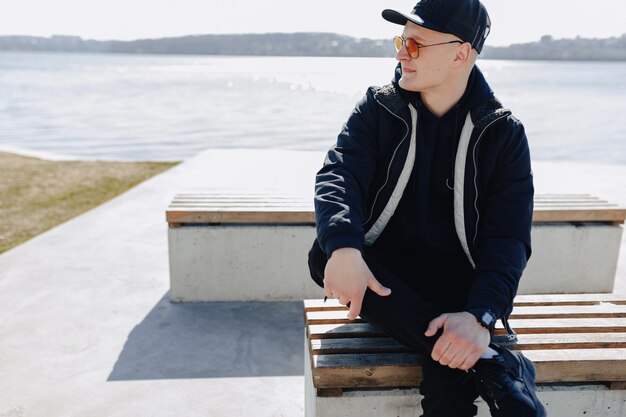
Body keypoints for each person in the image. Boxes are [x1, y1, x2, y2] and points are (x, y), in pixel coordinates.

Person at [307, 1, 546, 416]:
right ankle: (494, 363)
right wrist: (344, 247)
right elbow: (339, 174)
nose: (401, 54)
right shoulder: (380, 108)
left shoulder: (502, 134)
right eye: (402, 41)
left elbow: (507, 240)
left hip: (457, 285)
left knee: (447, 389)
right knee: (323, 253)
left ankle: (480, 354)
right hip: (386, 276)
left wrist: (479, 316)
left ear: (460, 53)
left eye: (415, 45)